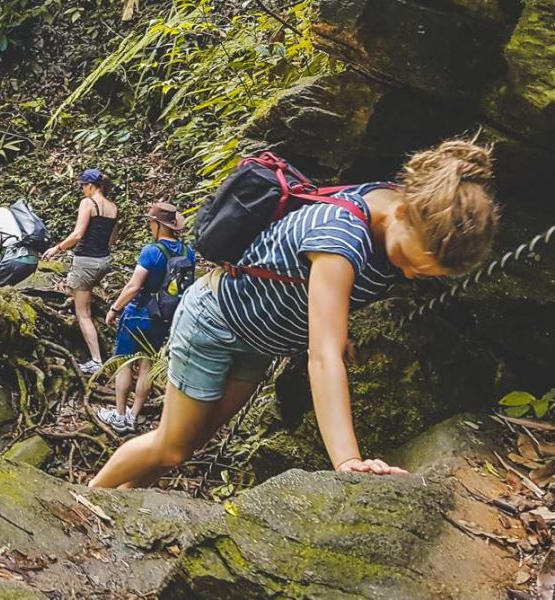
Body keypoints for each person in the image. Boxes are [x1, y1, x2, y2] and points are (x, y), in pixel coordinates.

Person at [89, 138, 500, 489]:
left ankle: (123, 505)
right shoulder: (341, 237)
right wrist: (347, 462)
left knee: (185, 445)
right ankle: (88, 500)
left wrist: (340, 329)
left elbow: (322, 296)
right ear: (403, 214)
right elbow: (322, 357)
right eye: (410, 262)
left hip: (258, 343)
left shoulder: (398, 201)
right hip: (213, 325)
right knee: (172, 445)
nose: (410, 274)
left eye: (425, 273)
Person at [99, 202, 196, 434]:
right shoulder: (187, 251)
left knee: (124, 363)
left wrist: (114, 309)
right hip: (164, 317)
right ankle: (134, 416)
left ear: (158, 225)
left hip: (139, 314)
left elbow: (134, 286)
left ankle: (120, 415)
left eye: (151, 222)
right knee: (146, 366)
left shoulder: (152, 251)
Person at [42, 168, 118, 374]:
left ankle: (96, 361)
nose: (83, 190)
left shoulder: (88, 203)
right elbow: (112, 239)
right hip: (104, 261)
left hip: (86, 261)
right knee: (80, 294)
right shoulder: (113, 207)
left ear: (91, 186)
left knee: (83, 314)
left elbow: (77, 234)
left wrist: (56, 249)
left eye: (83, 186)